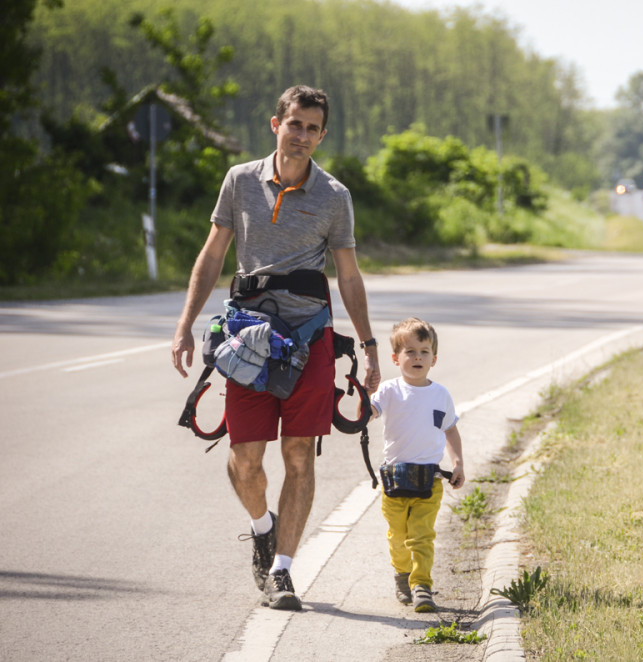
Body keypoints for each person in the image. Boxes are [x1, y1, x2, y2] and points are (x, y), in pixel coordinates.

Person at [171, 85, 380, 611]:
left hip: (308, 338)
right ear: (276, 124)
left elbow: (349, 276)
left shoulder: (334, 196)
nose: (303, 136)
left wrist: (371, 345)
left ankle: (283, 571)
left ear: (322, 135)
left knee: (299, 455)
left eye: (313, 129)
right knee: (245, 459)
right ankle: (263, 527)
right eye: (296, 125)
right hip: (247, 337)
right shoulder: (240, 181)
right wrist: (185, 324)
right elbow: (213, 253)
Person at [370, 317, 465, 613]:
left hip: (429, 481)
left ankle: (421, 585)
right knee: (398, 537)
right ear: (396, 358)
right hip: (394, 481)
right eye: (410, 351)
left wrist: (458, 461)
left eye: (424, 351)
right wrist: (363, 396)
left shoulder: (441, 395)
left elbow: (449, 429)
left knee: (421, 536)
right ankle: (402, 575)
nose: (417, 357)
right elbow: (369, 413)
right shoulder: (388, 391)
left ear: (434, 359)